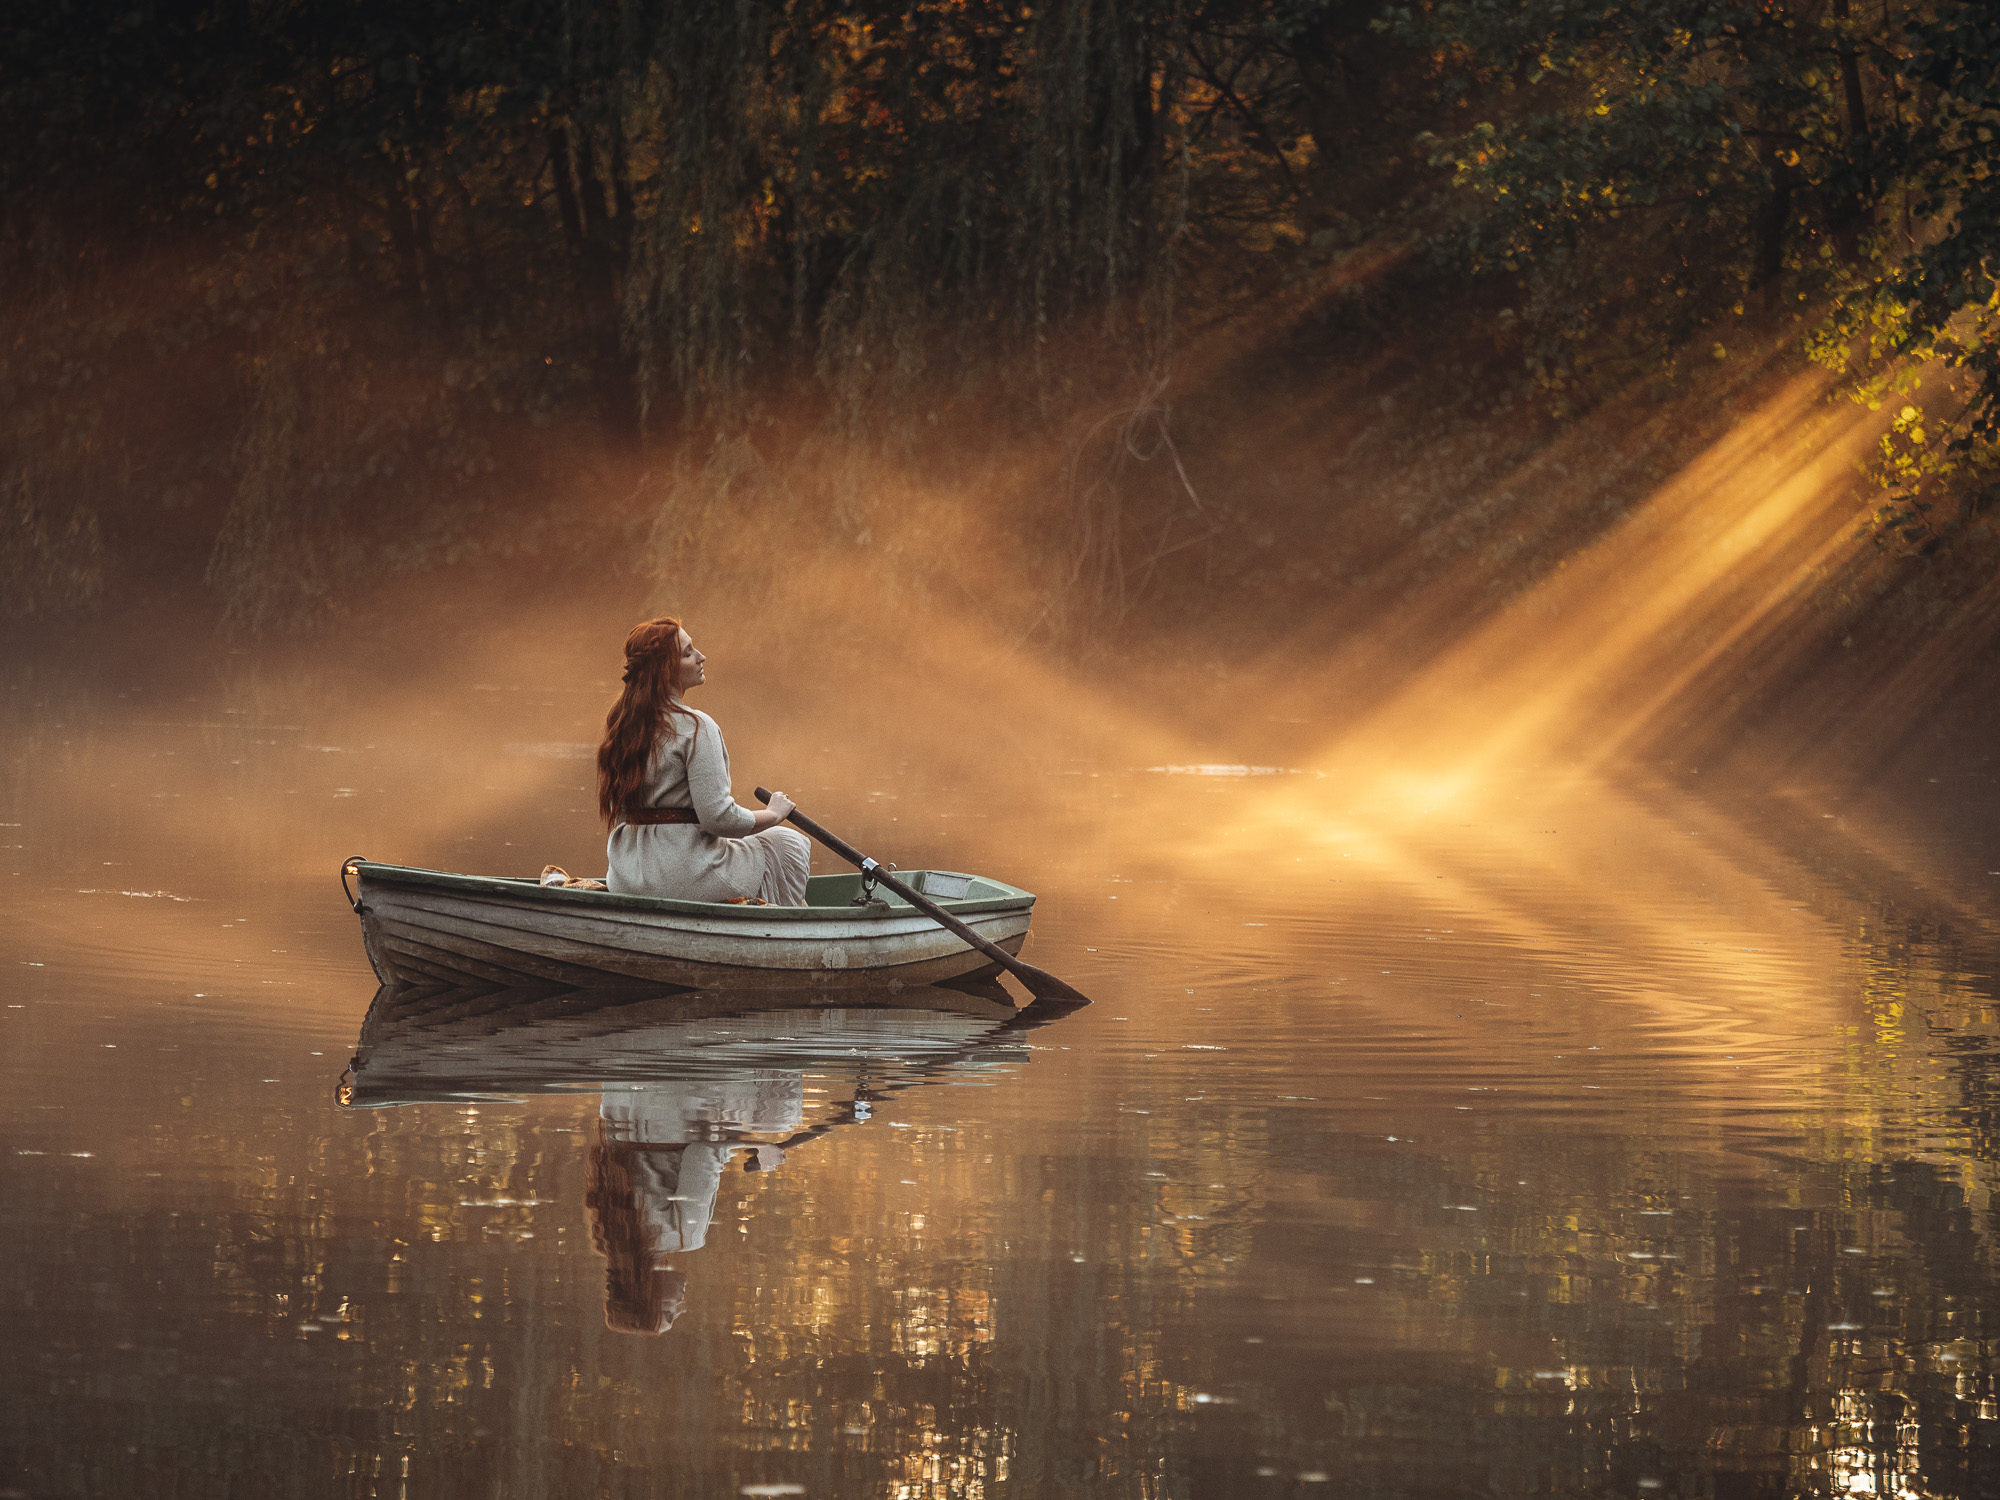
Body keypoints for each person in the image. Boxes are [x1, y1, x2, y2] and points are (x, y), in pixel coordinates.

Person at [596, 616, 810, 904]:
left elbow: (622, 814)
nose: (701, 657)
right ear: (664, 670)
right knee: (788, 842)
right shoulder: (697, 727)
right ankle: (782, 934)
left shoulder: (622, 724)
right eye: (687, 653)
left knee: (741, 843)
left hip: (626, 879)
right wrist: (774, 815)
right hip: (685, 879)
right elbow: (719, 819)